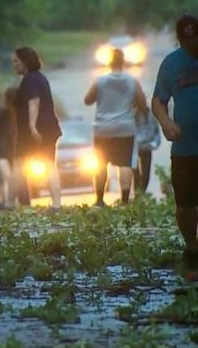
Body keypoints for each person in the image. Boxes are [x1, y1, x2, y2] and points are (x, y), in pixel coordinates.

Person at [152, 14, 198, 268]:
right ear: (180, 39)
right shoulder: (171, 64)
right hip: (185, 147)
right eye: (187, 40)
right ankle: (192, 247)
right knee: (185, 204)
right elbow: (158, 100)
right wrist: (166, 123)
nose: (192, 45)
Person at [84, 48, 147, 207]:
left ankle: (99, 200)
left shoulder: (100, 81)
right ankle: (125, 200)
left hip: (102, 129)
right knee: (125, 163)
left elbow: (88, 100)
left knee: (100, 163)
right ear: (123, 62)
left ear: (110, 63)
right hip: (125, 128)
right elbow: (142, 102)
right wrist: (136, 111)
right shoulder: (132, 81)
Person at [7, 46, 62, 212]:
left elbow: (34, 101)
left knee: (18, 163)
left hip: (33, 131)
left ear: (25, 62)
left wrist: (32, 126)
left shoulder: (30, 80)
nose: (14, 64)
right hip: (48, 127)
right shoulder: (40, 78)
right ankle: (57, 205)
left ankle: (9, 203)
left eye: (16, 61)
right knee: (49, 164)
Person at [133, 106, 161, 192]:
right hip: (135, 147)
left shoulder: (151, 115)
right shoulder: (131, 114)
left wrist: (153, 144)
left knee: (145, 174)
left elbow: (156, 132)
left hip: (146, 146)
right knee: (136, 174)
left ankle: (140, 195)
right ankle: (138, 195)